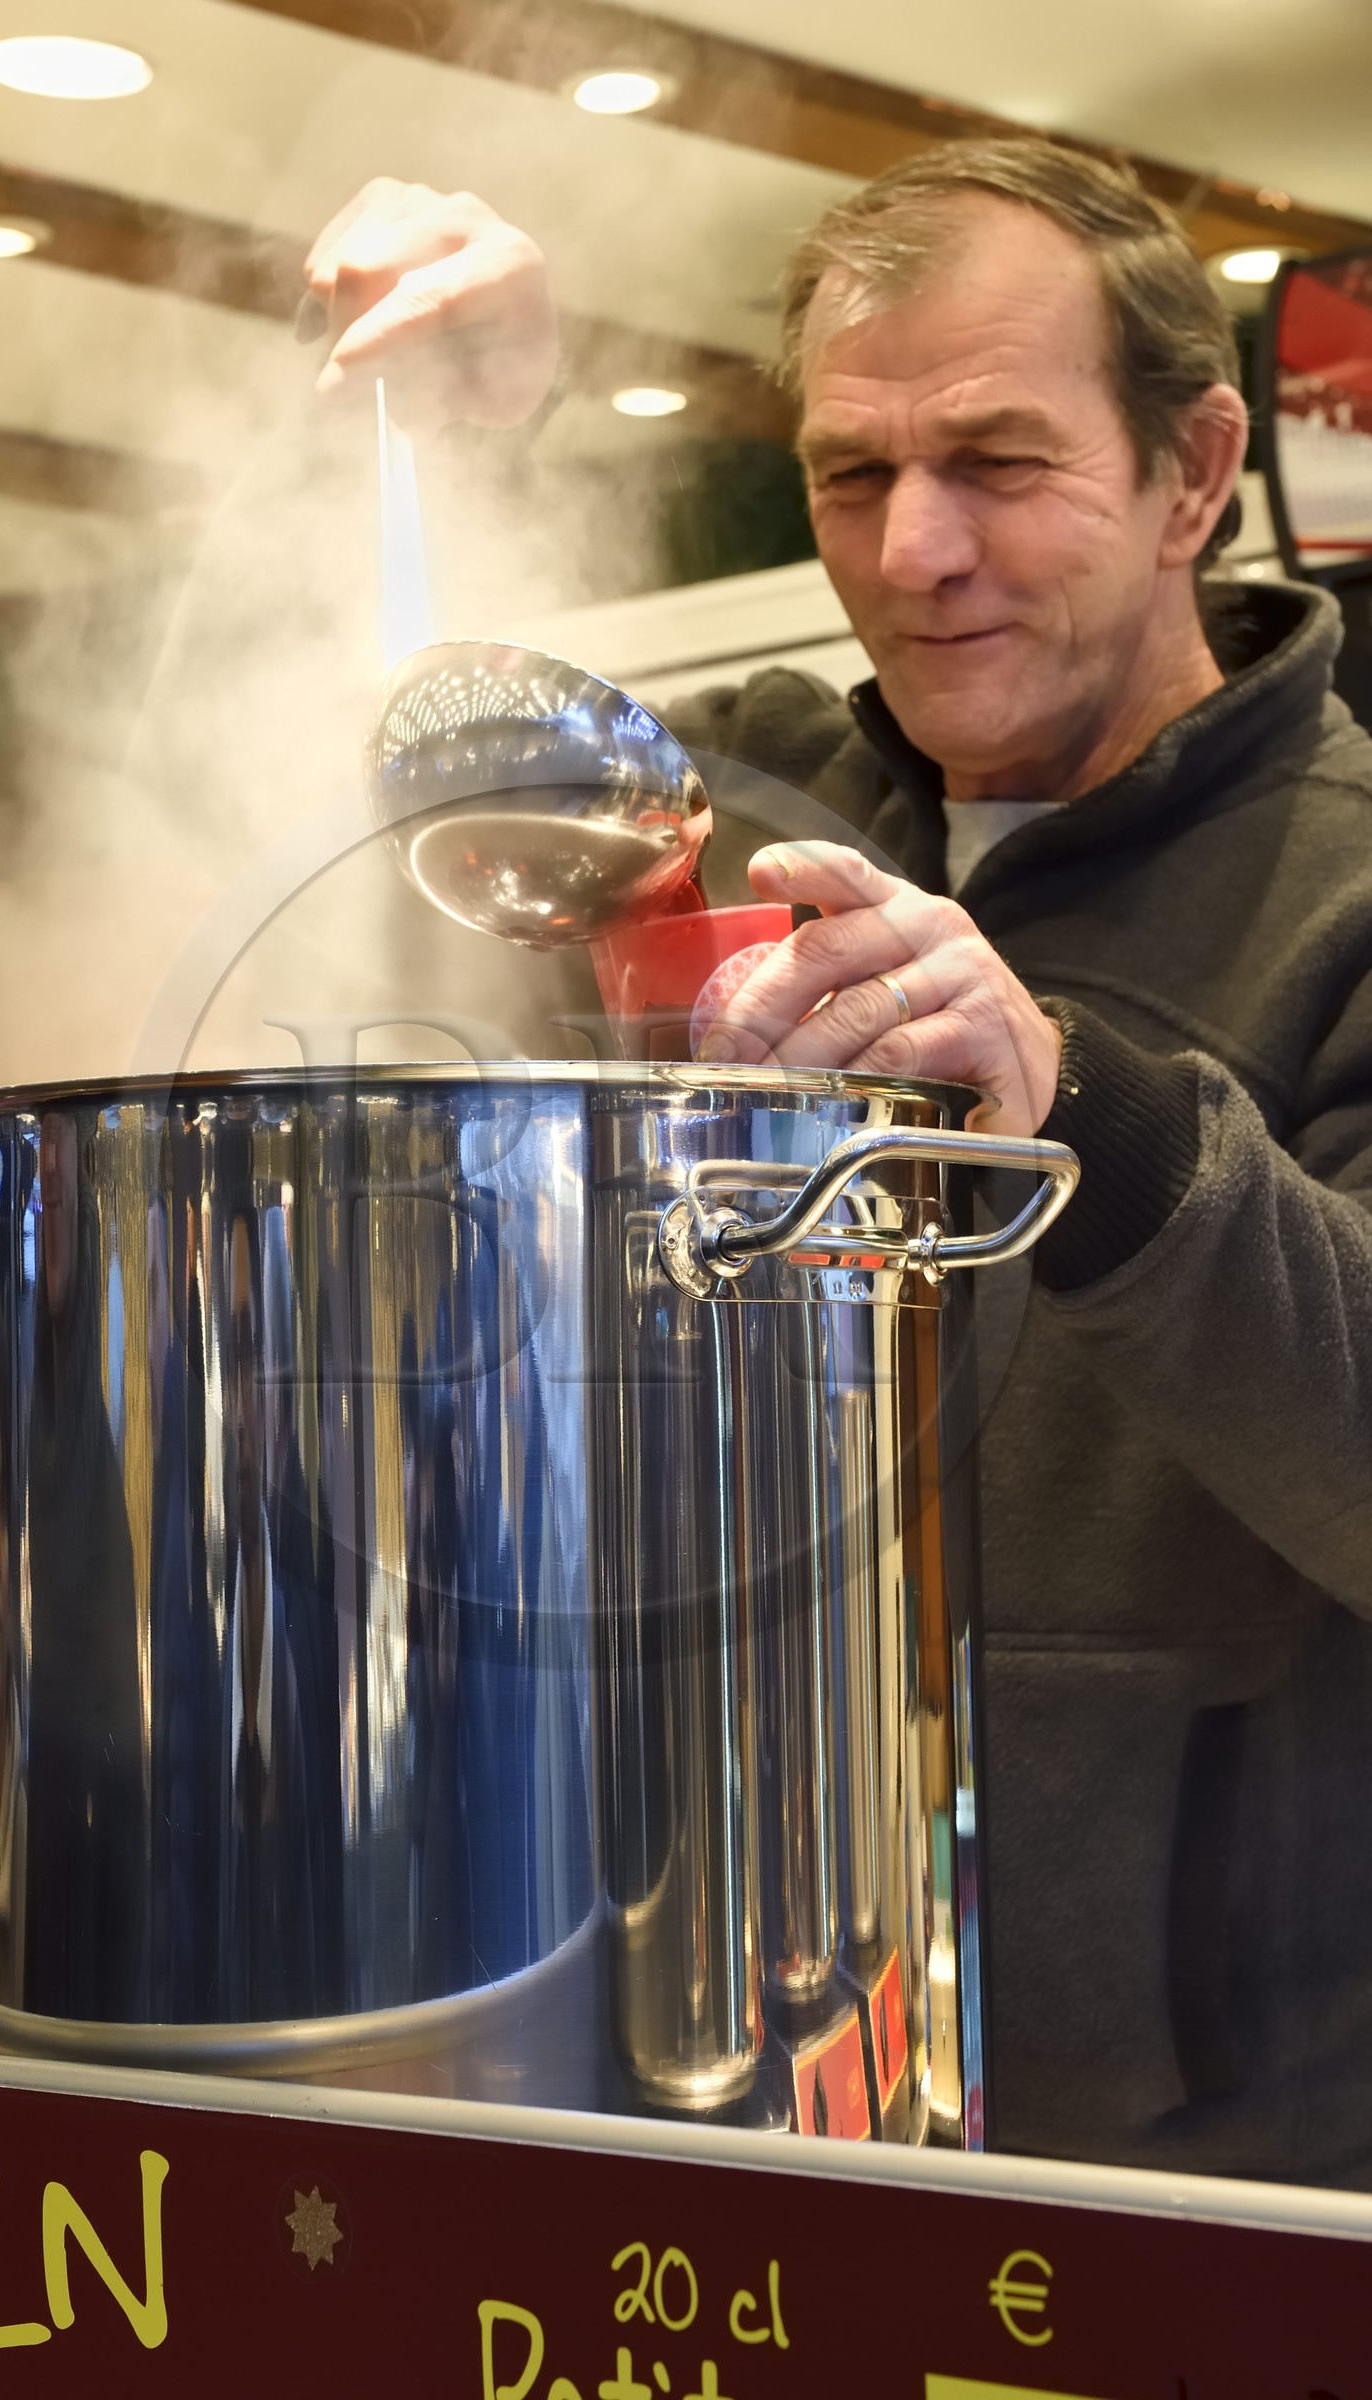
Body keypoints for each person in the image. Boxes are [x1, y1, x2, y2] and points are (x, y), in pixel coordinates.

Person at [301, 143, 1372, 2185]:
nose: (914, 552)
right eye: (851, 476)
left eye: (995, 458)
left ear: (1193, 467)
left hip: (1227, 2174)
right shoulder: (730, 809)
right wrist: (449, 449)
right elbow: (410, 854)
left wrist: (1079, 1110)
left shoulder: (1340, 896)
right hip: (718, 2077)